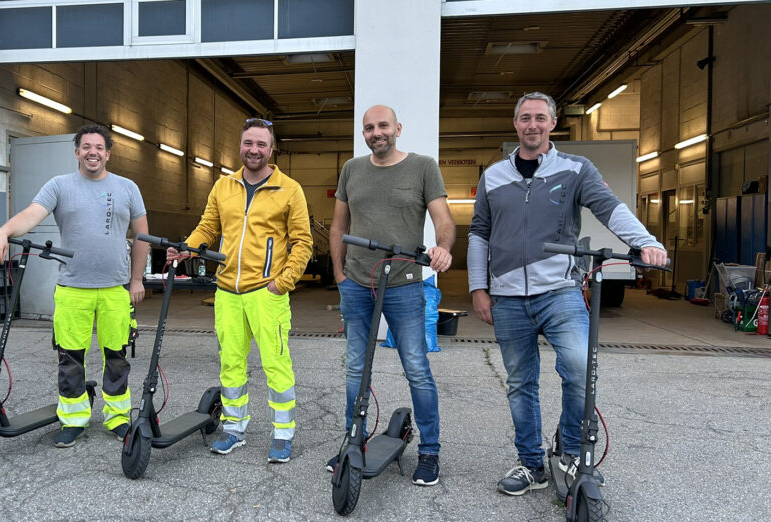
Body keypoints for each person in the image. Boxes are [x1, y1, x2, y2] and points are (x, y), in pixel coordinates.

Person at [468, 91, 668, 495]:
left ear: (553, 123)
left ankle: (571, 453)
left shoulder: (576, 170)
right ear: (516, 124)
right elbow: (479, 234)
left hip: (559, 292)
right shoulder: (493, 177)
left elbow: (610, 208)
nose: (532, 125)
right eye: (525, 118)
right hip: (507, 298)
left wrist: (647, 242)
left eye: (540, 117)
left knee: (578, 367)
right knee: (520, 382)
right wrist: (478, 288)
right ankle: (529, 465)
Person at [0, 124, 149, 448]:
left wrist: (136, 279)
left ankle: (117, 418)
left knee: (116, 356)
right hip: (73, 286)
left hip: (116, 287)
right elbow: (31, 215)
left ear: (108, 153)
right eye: (86, 147)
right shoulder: (59, 186)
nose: (93, 152)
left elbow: (141, 236)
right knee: (70, 356)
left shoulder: (127, 187)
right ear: (77, 152)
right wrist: (3, 232)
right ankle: (74, 419)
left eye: (99, 147)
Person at [170, 118, 312, 463]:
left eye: (261, 144)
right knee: (231, 362)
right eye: (249, 143)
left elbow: (303, 243)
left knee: (276, 364)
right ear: (240, 146)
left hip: (267, 292)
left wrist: (282, 283)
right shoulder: (223, 186)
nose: (254, 150)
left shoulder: (289, 189)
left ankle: (282, 433)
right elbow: (208, 226)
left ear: (271, 148)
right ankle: (234, 427)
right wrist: (188, 247)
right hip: (227, 293)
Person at [328, 105, 455, 486]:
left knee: (416, 367)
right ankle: (355, 440)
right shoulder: (352, 169)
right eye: (369, 128)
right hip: (356, 282)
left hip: (403, 283)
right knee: (355, 367)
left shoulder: (422, 166)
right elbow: (339, 225)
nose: (376, 132)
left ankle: (430, 451)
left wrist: (443, 248)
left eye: (383, 125)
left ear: (398, 128)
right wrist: (339, 274)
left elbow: (444, 219)